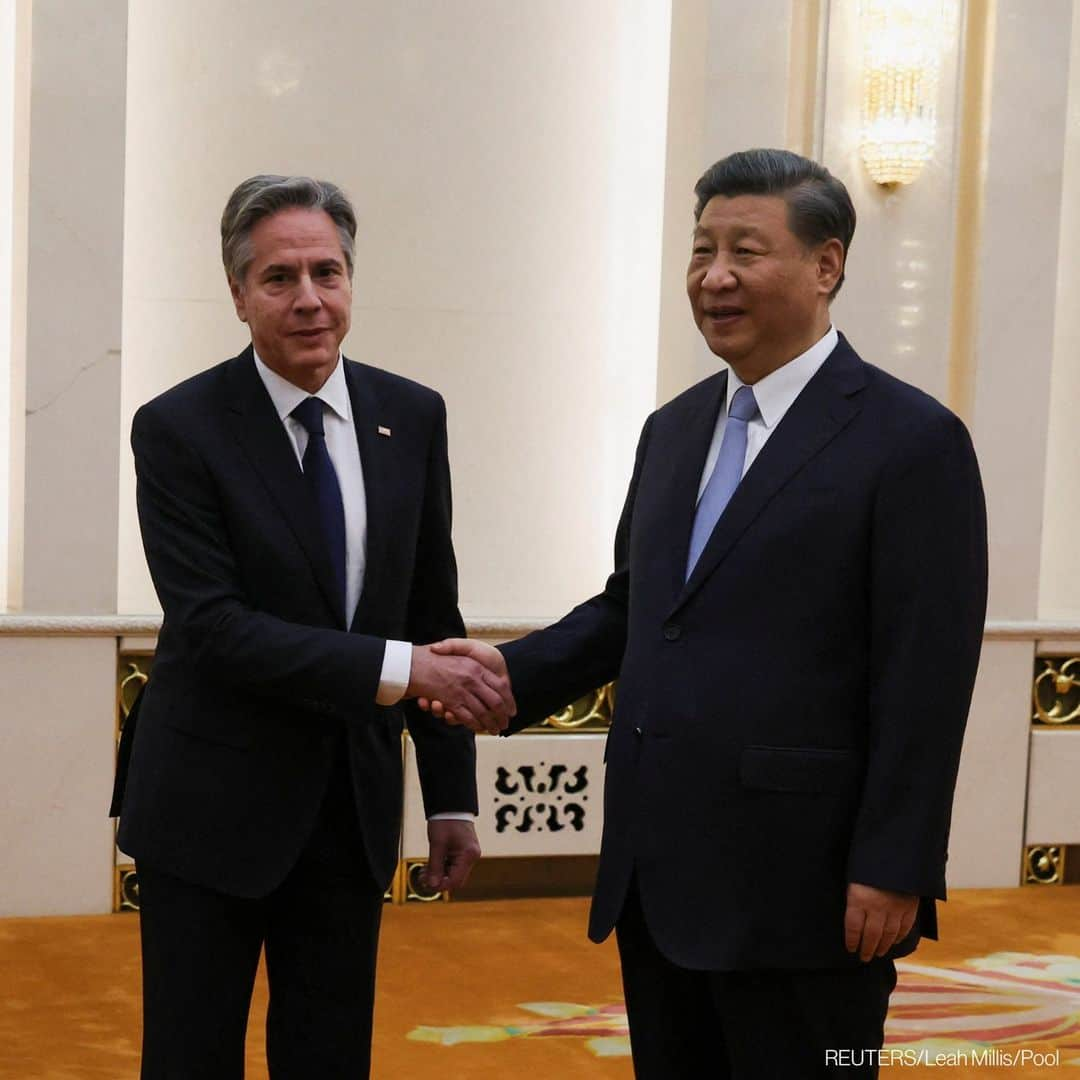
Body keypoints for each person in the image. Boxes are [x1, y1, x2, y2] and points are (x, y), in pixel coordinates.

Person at [424, 148, 988, 1078]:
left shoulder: (913, 441)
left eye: (745, 251)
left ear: (826, 265)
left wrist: (895, 863)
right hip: (662, 872)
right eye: (701, 250)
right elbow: (637, 610)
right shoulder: (674, 428)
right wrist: (505, 675)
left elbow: (926, 676)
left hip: (809, 889)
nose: (714, 276)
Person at [109, 174, 513, 1078]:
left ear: (351, 282)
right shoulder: (178, 428)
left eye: (327, 273)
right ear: (238, 294)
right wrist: (406, 670)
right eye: (279, 277)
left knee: (330, 1056)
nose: (308, 300)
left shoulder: (411, 415)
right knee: (190, 1054)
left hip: (348, 810)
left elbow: (430, 613)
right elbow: (214, 627)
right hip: (207, 809)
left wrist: (450, 798)